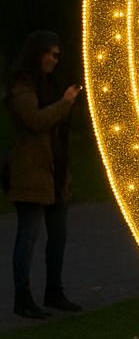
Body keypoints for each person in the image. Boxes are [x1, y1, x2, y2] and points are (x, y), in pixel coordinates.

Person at [6, 31, 82, 319]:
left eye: (57, 55)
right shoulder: (22, 85)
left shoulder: (49, 85)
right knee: (28, 236)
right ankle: (23, 298)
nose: (53, 59)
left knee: (58, 236)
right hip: (32, 171)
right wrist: (65, 103)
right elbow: (36, 120)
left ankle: (54, 292)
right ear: (35, 53)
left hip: (56, 171)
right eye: (49, 53)